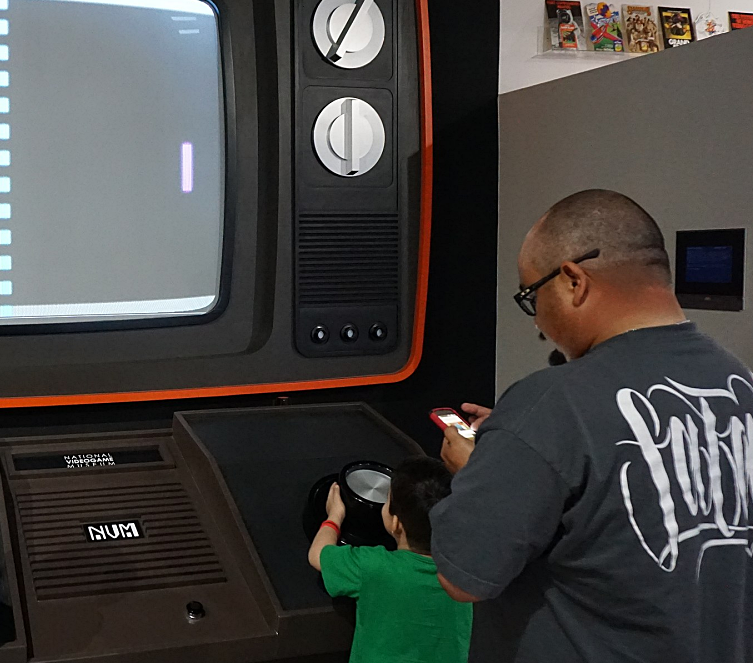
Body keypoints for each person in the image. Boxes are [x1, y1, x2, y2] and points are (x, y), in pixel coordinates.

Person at [430, 190, 753, 662]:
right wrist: (512, 449)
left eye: (530, 297)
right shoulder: (741, 384)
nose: (537, 324)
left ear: (572, 281)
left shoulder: (549, 403)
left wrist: (478, 470)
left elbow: (462, 578)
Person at [309, 456, 472, 663]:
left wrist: (334, 516)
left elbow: (318, 555)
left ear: (396, 523)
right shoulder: (466, 574)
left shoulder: (375, 565)